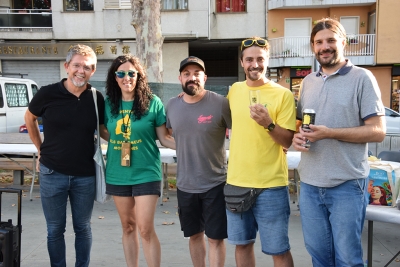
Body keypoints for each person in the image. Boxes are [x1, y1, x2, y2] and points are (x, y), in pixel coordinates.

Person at [292, 18, 386, 267]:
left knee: (348, 259)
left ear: (343, 42)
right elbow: (303, 124)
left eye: (331, 40)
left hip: (346, 184)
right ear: (313, 46)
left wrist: (329, 133)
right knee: (320, 257)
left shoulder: (362, 78)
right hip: (310, 185)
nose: (325, 47)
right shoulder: (308, 81)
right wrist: (298, 136)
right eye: (319, 42)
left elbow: (377, 131)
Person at [24, 44, 104, 267]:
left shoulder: (96, 98)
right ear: (66, 66)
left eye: (87, 67)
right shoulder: (47, 93)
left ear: (93, 71)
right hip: (52, 172)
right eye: (77, 65)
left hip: (85, 176)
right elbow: (29, 118)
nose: (81, 71)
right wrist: (40, 150)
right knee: (55, 229)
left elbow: (104, 129)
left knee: (83, 227)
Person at [226, 37, 296, 267]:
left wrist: (269, 124)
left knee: (278, 249)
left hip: (271, 185)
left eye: (260, 59)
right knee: (242, 244)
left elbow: (288, 140)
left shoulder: (283, 94)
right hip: (238, 181)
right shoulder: (234, 90)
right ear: (241, 62)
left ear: (268, 61)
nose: (254, 64)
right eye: (249, 60)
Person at [100, 54, 175, 267]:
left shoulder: (153, 103)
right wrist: (117, 139)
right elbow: (103, 130)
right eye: (121, 73)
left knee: (145, 228)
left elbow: (164, 138)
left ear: (139, 76)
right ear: (114, 78)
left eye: (132, 73)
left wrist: (192, 146)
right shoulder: (108, 104)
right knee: (128, 226)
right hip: (118, 172)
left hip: (146, 172)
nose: (127, 78)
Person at [166, 56, 231, 267]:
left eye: (196, 73)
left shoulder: (221, 103)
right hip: (185, 185)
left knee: (215, 238)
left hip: (215, 183)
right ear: (180, 78)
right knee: (194, 235)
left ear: (205, 77)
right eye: (187, 74)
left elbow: (240, 133)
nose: (191, 77)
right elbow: (167, 134)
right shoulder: (172, 105)